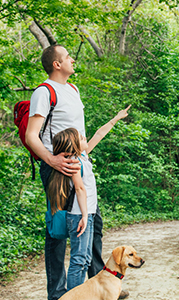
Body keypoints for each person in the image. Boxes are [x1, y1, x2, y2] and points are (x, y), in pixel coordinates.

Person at [25, 44, 130, 300]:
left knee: (93, 224)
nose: (73, 59)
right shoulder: (44, 92)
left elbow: (82, 135)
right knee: (59, 232)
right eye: (68, 57)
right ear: (56, 64)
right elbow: (31, 135)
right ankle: (59, 295)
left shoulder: (72, 89)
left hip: (79, 164)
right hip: (58, 170)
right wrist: (52, 161)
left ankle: (103, 287)